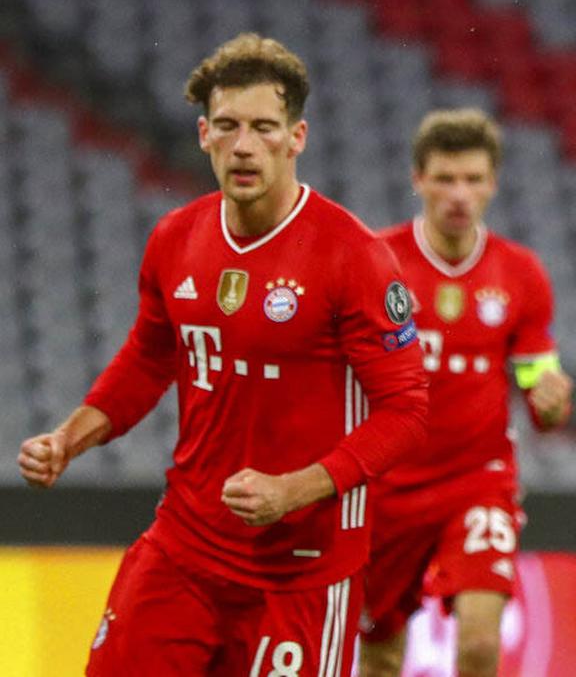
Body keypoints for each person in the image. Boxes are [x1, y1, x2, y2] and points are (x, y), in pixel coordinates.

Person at [16, 33, 429, 676]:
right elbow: (152, 359)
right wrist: (71, 438)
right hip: (185, 548)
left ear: (296, 139)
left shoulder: (355, 256)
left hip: (301, 572)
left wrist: (295, 490)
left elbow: (406, 411)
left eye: (264, 127)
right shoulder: (175, 239)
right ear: (204, 134)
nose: (244, 145)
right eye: (228, 126)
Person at [357, 109, 574, 677]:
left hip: (476, 480)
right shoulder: (376, 261)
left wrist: (551, 402)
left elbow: (536, 384)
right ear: (418, 179)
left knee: (479, 645)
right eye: (446, 178)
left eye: (474, 179)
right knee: (380, 654)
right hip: (387, 487)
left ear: (493, 183)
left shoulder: (521, 273)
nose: (460, 194)